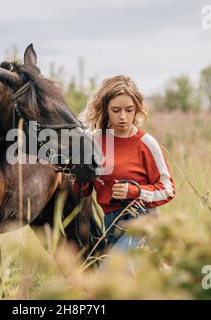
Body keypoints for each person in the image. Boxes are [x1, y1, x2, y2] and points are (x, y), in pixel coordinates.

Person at [72, 75, 176, 260]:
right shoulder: (92, 141)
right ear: (105, 109)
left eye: (129, 110)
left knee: (108, 279)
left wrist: (136, 191)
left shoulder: (146, 143)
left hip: (143, 222)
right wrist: (78, 174)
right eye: (116, 110)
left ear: (137, 109)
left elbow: (168, 190)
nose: (123, 117)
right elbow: (83, 191)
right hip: (111, 225)